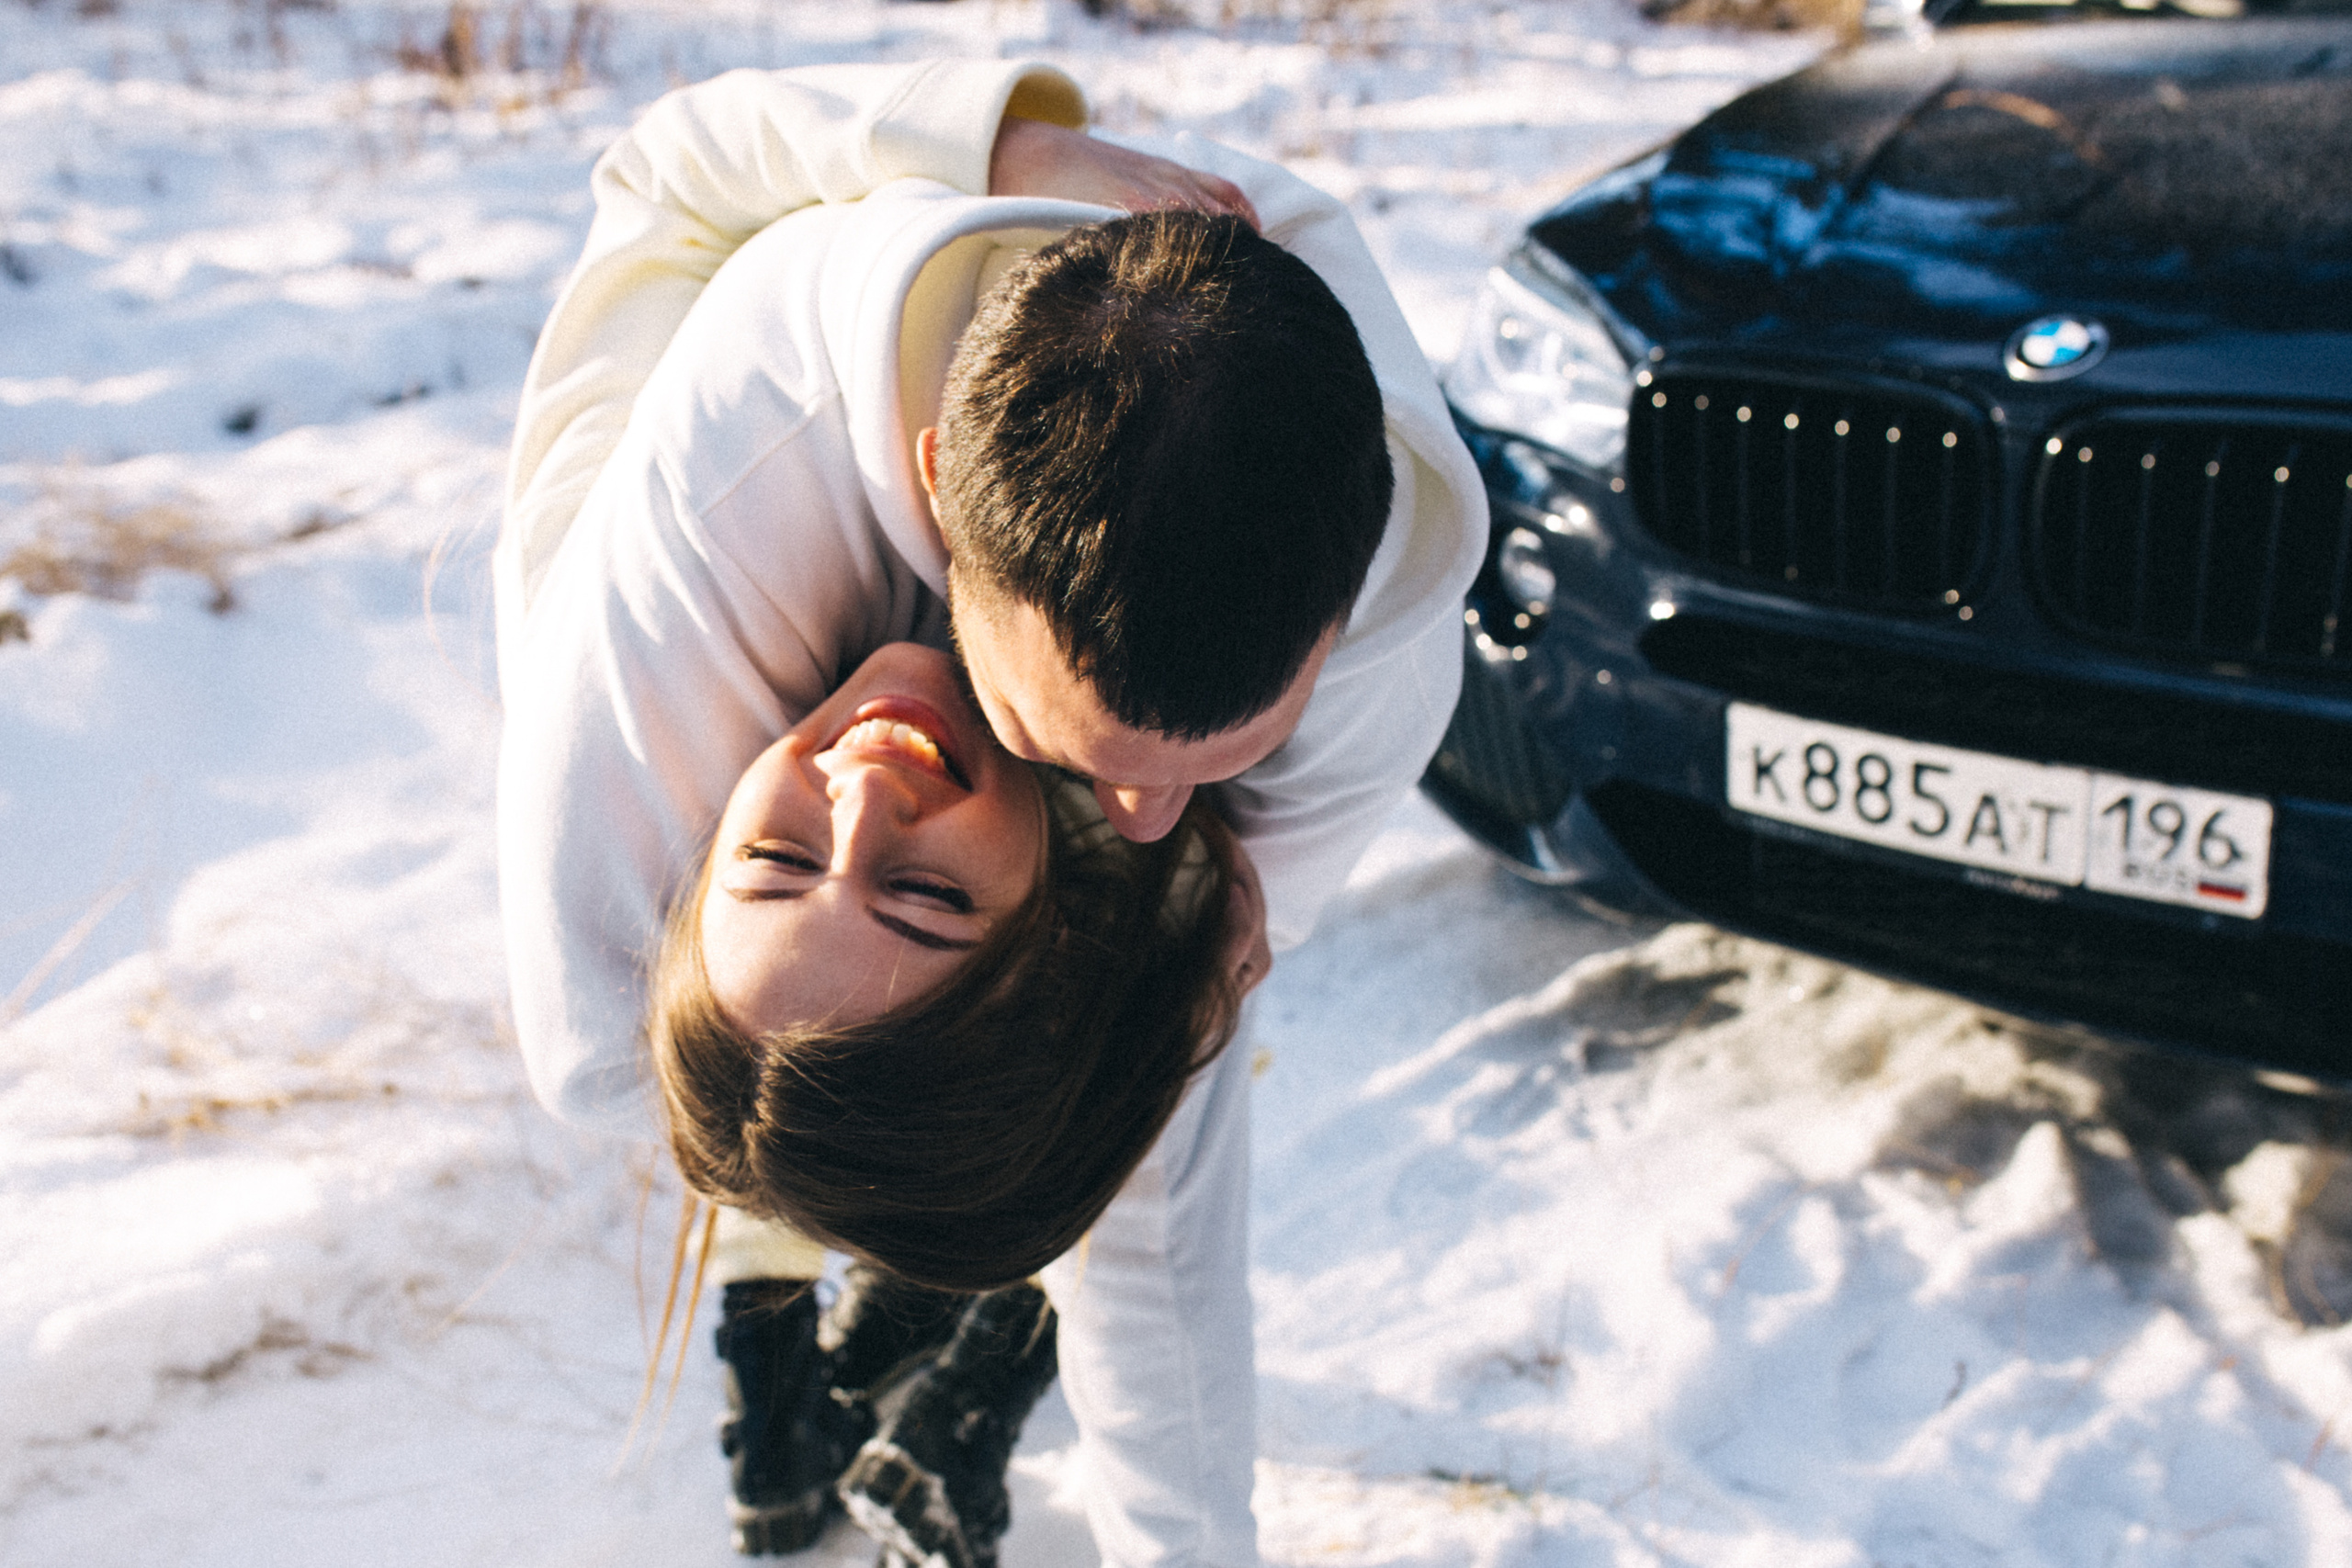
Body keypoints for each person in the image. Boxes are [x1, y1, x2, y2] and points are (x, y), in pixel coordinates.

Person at [496, 59, 1487, 1568]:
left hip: (853, 423)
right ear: (942, 487)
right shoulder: (683, 631)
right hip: (801, 450)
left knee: (915, 1088)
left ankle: (904, 1298)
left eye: (778, 854)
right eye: (929, 893)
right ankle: (799, 1319)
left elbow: (1154, 1211)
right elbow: (1154, 1217)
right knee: (795, 1084)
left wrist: (1001, 145)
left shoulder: (1361, 683)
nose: (867, 793)